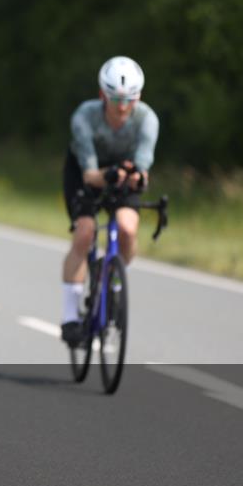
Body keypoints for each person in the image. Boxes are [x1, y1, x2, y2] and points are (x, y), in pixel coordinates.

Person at [60, 56, 159, 346]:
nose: (123, 106)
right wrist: (111, 174)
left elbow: (143, 167)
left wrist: (137, 177)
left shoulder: (147, 119)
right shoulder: (84, 116)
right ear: (103, 95)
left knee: (128, 229)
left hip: (124, 173)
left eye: (130, 99)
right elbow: (91, 176)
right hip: (85, 172)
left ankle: (113, 279)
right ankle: (70, 318)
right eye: (116, 99)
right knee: (85, 233)